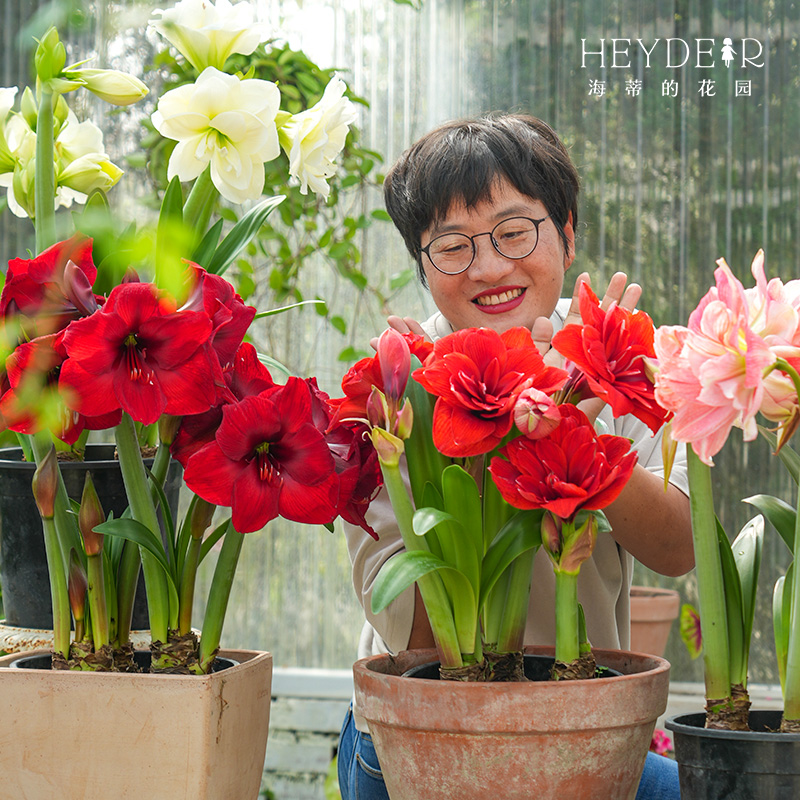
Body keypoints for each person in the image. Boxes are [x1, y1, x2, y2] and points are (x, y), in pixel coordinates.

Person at [338, 113, 694, 800]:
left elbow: (680, 547)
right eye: (452, 246)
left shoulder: (612, 361)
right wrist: (456, 442)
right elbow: (416, 636)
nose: (490, 267)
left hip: (578, 724)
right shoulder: (399, 384)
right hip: (422, 732)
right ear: (422, 264)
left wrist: (572, 429)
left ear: (564, 230)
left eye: (512, 231)